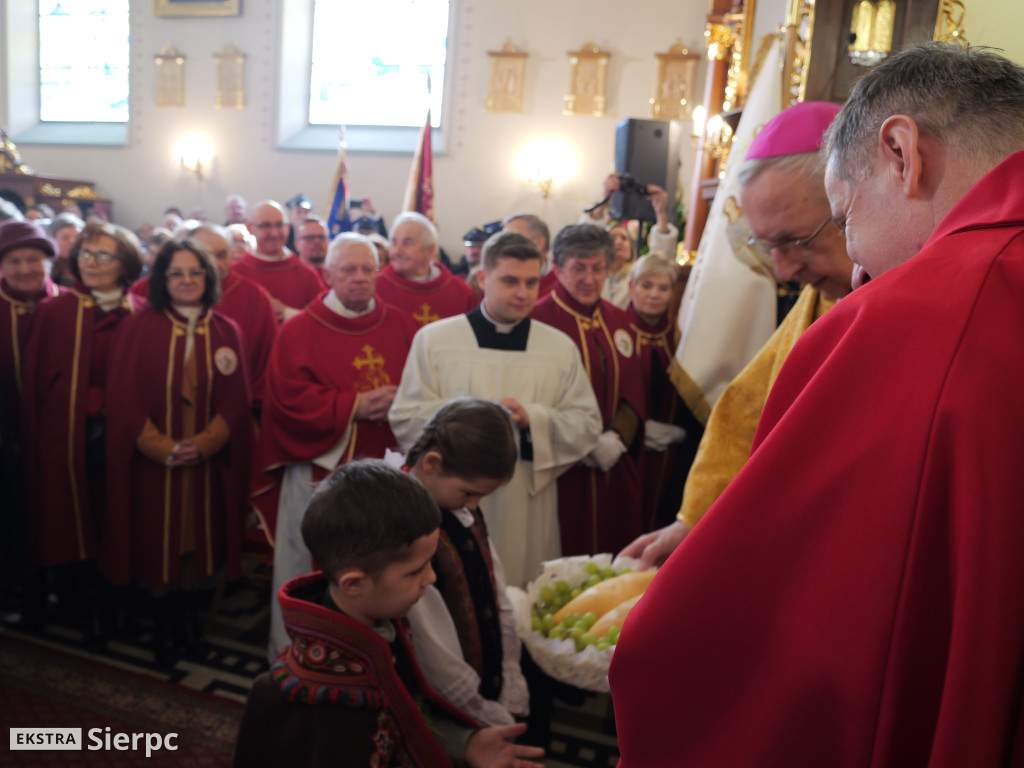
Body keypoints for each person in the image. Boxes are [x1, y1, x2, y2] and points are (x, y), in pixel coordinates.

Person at [610, 43, 1024, 766]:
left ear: (902, 153)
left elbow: (808, 629)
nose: (857, 260)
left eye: (842, 214)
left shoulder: (919, 313)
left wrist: (658, 647)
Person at [620, 101, 851, 568]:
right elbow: (745, 409)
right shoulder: (823, 296)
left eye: (795, 241)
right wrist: (692, 520)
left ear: (853, 202)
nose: (782, 270)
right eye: (767, 247)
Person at [233, 460, 545, 768]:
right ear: (354, 583)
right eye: (414, 572)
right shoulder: (321, 701)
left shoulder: (384, 626)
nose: (431, 578)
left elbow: (406, 716)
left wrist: (464, 743)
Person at [390, 231, 602, 586]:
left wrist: (531, 420)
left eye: (532, 282)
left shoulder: (558, 348)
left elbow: (586, 424)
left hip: (526, 503)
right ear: (484, 278)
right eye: (510, 281)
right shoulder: (436, 340)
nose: (523, 293)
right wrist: (473, 418)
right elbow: (406, 416)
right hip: (451, 507)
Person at [254, 232, 419, 659]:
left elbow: (424, 388)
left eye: (368, 268)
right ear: (327, 274)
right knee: (314, 561)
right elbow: (287, 402)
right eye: (349, 269)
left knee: (384, 559)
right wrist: (355, 405)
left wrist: (399, 401)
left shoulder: (401, 324)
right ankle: (301, 651)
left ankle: (383, 652)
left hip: (389, 466)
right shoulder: (299, 330)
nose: (360, 277)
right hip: (320, 471)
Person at [103, 239, 251, 666]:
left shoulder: (227, 330)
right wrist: (162, 448)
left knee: (196, 545)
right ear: (161, 280)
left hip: (205, 462)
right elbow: (124, 398)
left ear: (208, 277)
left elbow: (236, 403)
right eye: (176, 273)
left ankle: (189, 623)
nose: (187, 281)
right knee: (157, 540)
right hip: (154, 462)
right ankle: (163, 628)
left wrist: (203, 445)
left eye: (195, 272)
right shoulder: (137, 327)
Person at [21, 220, 145, 645]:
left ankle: (120, 610)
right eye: (86, 254)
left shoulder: (141, 312)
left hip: (126, 443)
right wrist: (99, 403)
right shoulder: (56, 312)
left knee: (120, 522)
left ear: (125, 262)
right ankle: (85, 610)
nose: (92, 263)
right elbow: (44, 380)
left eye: (104, 255)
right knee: (78, 523)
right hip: (71, 439)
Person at [401, 398, 529, 727]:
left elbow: (493, 581)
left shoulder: (459, 508)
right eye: (468, 493)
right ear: (431, 463)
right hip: (444, 699)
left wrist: (508, 679)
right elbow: (430, 641)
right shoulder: (404, 525)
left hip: (486, 680)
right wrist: (480, 710)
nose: (473, 506)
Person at [531, 223, 646, 556]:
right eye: (578, 268)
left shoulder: (620, 320)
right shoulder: (538, 321)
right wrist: (580, 442)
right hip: (564, 467)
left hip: (613, 466)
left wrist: (617, 438)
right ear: (557, 270)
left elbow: (634, 387)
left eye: (598, 269)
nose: (589, 278)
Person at [0, 220, 63, 574]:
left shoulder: (70, 306)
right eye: (13, 261)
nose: (24, 269)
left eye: (33, 260)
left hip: (62, 440)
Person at [623, 252, 691, 528]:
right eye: (646, 286)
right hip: (625, 450)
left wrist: (681, 433)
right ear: (631, 287)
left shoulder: (680, 333)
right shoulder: (616, 327)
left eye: (663, 288)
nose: (655, 295)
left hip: (670, 453)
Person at [191, 224, 278, 414]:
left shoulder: (255, 297)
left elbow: (268, 362)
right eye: (205, 256)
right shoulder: (161, 291)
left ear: (232, 255)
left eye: (221, 255)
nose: (214, 264)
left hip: (239, 411)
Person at [377, 211, 479, 326]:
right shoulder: (375, 288)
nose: (397, 251)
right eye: (394, 243)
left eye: (407, 243)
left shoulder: (463, 294)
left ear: (430, 250)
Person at [232, 200, 324, 322]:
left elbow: (324, 320)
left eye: (280, 225)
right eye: (266, 226)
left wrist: (287, 313)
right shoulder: (235, 273)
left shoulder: (307, 274)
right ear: (250, 228)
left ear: (288, 227)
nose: (274, 233)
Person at [502, 213, 557, 298]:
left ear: (538, 243)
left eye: (512, 239)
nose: (504, 247)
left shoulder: (562, 279)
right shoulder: (499, 278)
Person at [49, 212, 84, 287]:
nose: (72, 242)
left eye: (76, 238)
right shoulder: (47, 272)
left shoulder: (87, 271)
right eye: (64, 238)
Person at [293, 214, 330, 281]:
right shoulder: (291, 277)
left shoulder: (339, 276)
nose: (317, 241)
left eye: (321, 237)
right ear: (296, 244)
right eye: (310, 238)